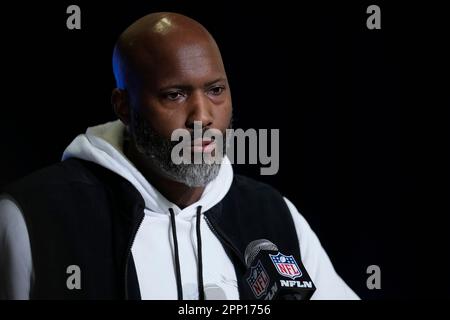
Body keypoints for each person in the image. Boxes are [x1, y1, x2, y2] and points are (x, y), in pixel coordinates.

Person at [0, 12, 359, 300]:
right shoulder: (34, 217)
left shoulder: (271, 215)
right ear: (124, 107)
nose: (202, 116)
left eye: (216, 90)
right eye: (175, 95)